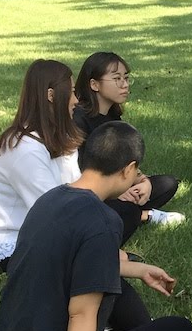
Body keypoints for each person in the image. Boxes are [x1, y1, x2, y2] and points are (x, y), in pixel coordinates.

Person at [0, 122, 192, 331]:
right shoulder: (103, 221)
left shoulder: (50, 199)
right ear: (129, 169)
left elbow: (69, 260)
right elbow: (82, 313)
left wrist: (138, 269)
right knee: (179, 330)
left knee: (113, 279)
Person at [0, 59, 83, 272]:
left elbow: (76, 190)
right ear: (51, 95)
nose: (76, 100)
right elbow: (53, 211)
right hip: (9, 246)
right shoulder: (24, 149)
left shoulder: (59, 136)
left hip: (40, 231)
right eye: (71, 92)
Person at [74, 51, 184, 243]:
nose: (124, 84)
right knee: (124, 209)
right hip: (92, 194)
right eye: (116, 79)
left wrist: (143, 182)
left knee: (167, 184)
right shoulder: (79, 120)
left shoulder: (114, 117)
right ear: (94, 84)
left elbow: (125, 162)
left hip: (119, 185)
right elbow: (78, 171)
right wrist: (116, 190)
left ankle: (135, 209)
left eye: (126, 78)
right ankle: (144, 215)